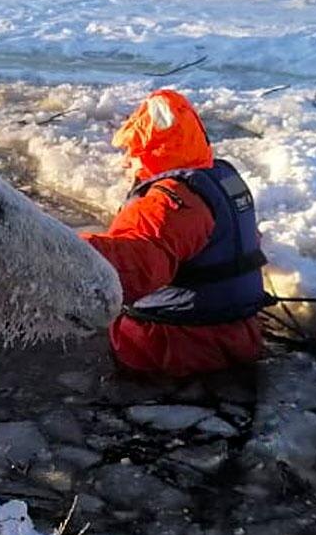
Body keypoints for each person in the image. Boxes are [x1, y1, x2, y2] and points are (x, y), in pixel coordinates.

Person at [82, 90, 269, 378]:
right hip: (239, 335)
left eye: (133, 151)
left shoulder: (169, 201)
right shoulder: (222, 180)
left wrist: (61, 247)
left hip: (171, 347)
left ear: (151, 152)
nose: (126, 162)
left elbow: (134, 269)